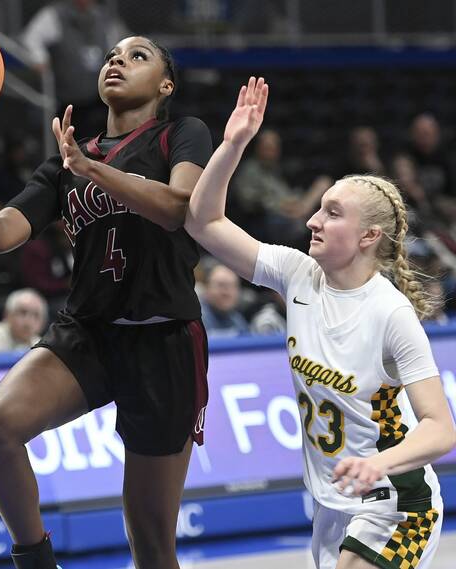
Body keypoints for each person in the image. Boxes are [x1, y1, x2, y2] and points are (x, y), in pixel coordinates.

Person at [0, 34, 212, 569]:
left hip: (162, 339)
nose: (117, 59)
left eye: (137, 55)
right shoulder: (68, 158)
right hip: (87, 332)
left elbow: (177, 207)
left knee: (153, 545)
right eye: (112, 53)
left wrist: (90, 169)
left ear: (166, 85)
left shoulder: (180, 134)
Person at [185, 77, 456, 569]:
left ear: (368, 235)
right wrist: (233, 144)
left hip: (396, 506)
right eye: (318, 208)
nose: (313, 220)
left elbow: (440, 430)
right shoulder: (297, 275)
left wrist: (376, 464)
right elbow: (203, 222)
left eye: (332, 214)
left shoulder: (390, 314)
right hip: (333, 506)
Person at [20, 0, 129, 139]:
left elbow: (122, 43)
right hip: (68, 101)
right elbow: (31, 38)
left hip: (99, 99)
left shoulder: (104, 17)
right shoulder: (55, 15)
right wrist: (39, 58)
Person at [0, 289, 47, 355]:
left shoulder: (41, 345)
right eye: (23, 313)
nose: (28, 322)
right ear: (7, 315)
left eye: (36, 315)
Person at [200, 264, 248, 337]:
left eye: (232, 286)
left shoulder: (238, 321)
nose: (226, 293)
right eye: (220, 285)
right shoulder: (195, 321)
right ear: (207, 289)